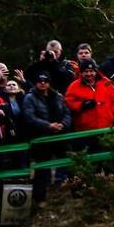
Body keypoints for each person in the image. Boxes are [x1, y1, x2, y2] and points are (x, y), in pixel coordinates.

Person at [20, 73, 71, 204]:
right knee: (42, 169)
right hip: (41, 137)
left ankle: (68, 192)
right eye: (39, 81)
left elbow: (67, 112)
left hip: (60, 135)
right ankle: (39, 198)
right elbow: (29, 117)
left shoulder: (58, 96)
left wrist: (63, 124)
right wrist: (48, 126)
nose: (43, 83)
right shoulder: (29, 98)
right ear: (35, 82)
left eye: (46, 81)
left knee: (67, 162)